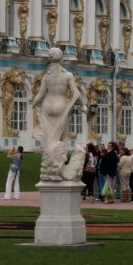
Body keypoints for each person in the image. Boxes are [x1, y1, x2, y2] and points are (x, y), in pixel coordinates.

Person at [31, 47, 87, 181]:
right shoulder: (67, 76)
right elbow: (75, 92)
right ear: (61, 59)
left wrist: (33, 104)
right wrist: (82, 105)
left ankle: (51, 167)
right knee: (62, 139)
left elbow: (40, 95)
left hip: (47, 107)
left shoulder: (46, 77)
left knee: (49, 140)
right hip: (62, 107)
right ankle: (60, 168)